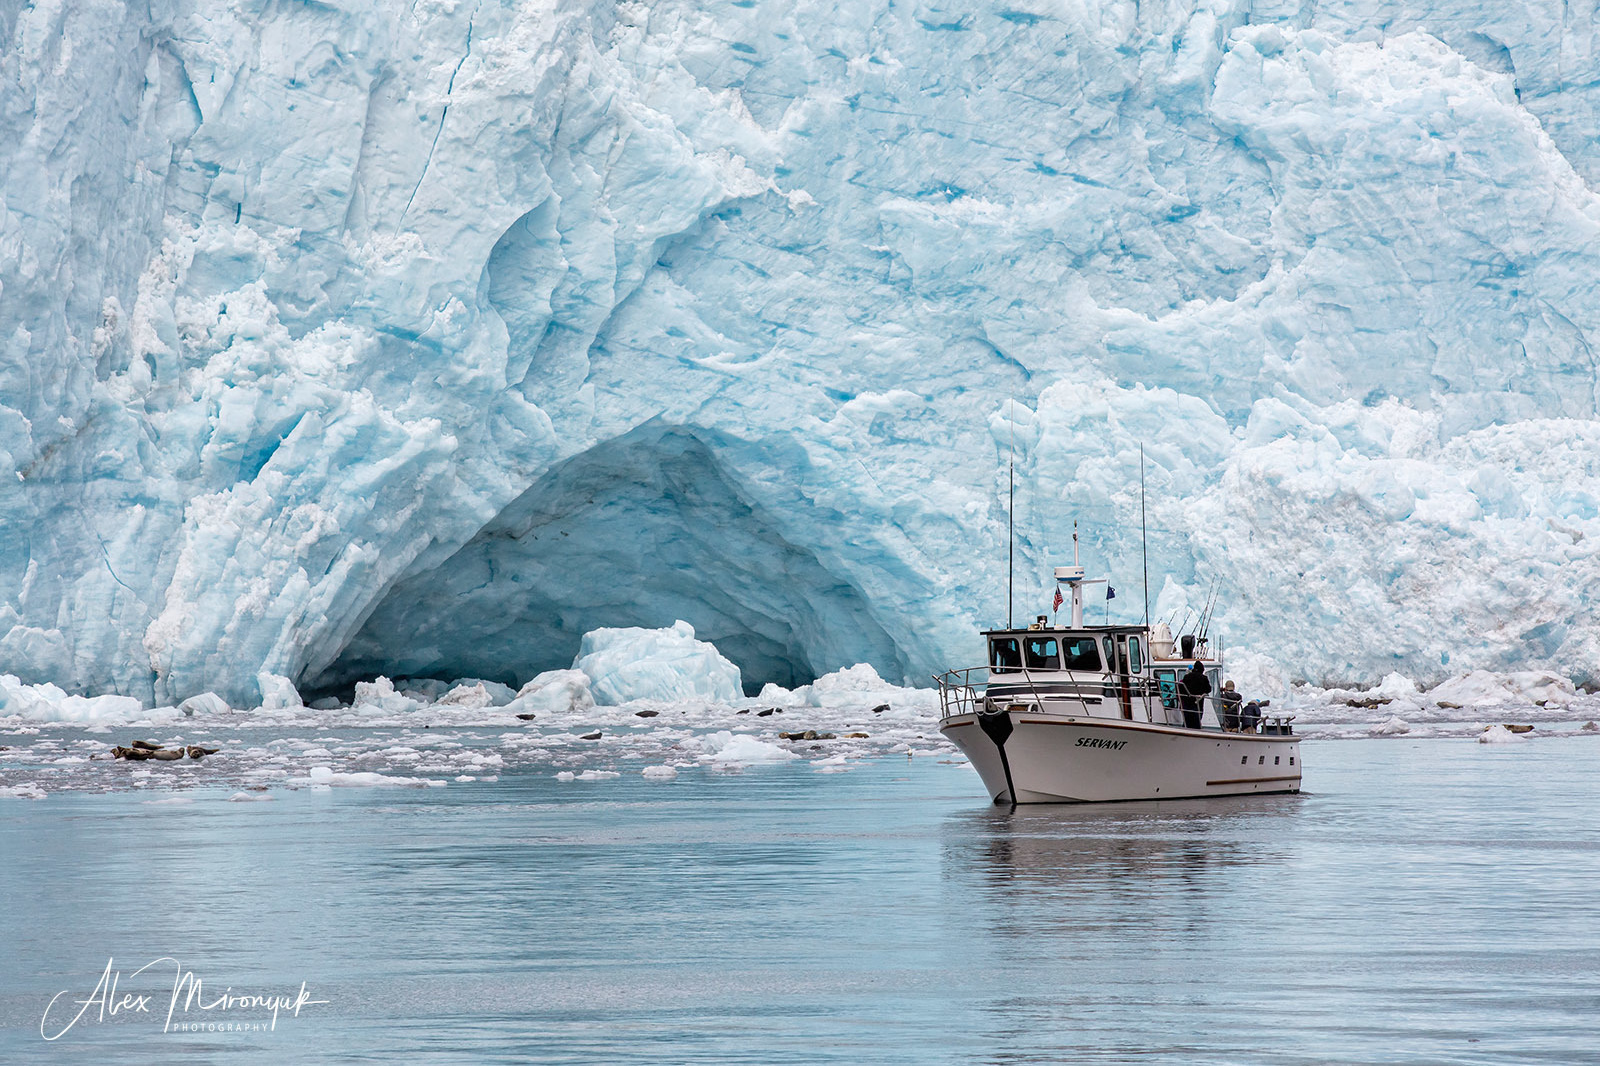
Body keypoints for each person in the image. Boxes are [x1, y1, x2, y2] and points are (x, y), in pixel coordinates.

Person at [1179, 661, 1210, 729]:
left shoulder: (1187, 677)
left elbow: (1182, 688)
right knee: (1196, 722)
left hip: (1187, 704)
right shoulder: (1204, 678)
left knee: (1187, 721)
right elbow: (1208, 689)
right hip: (1198, 703)